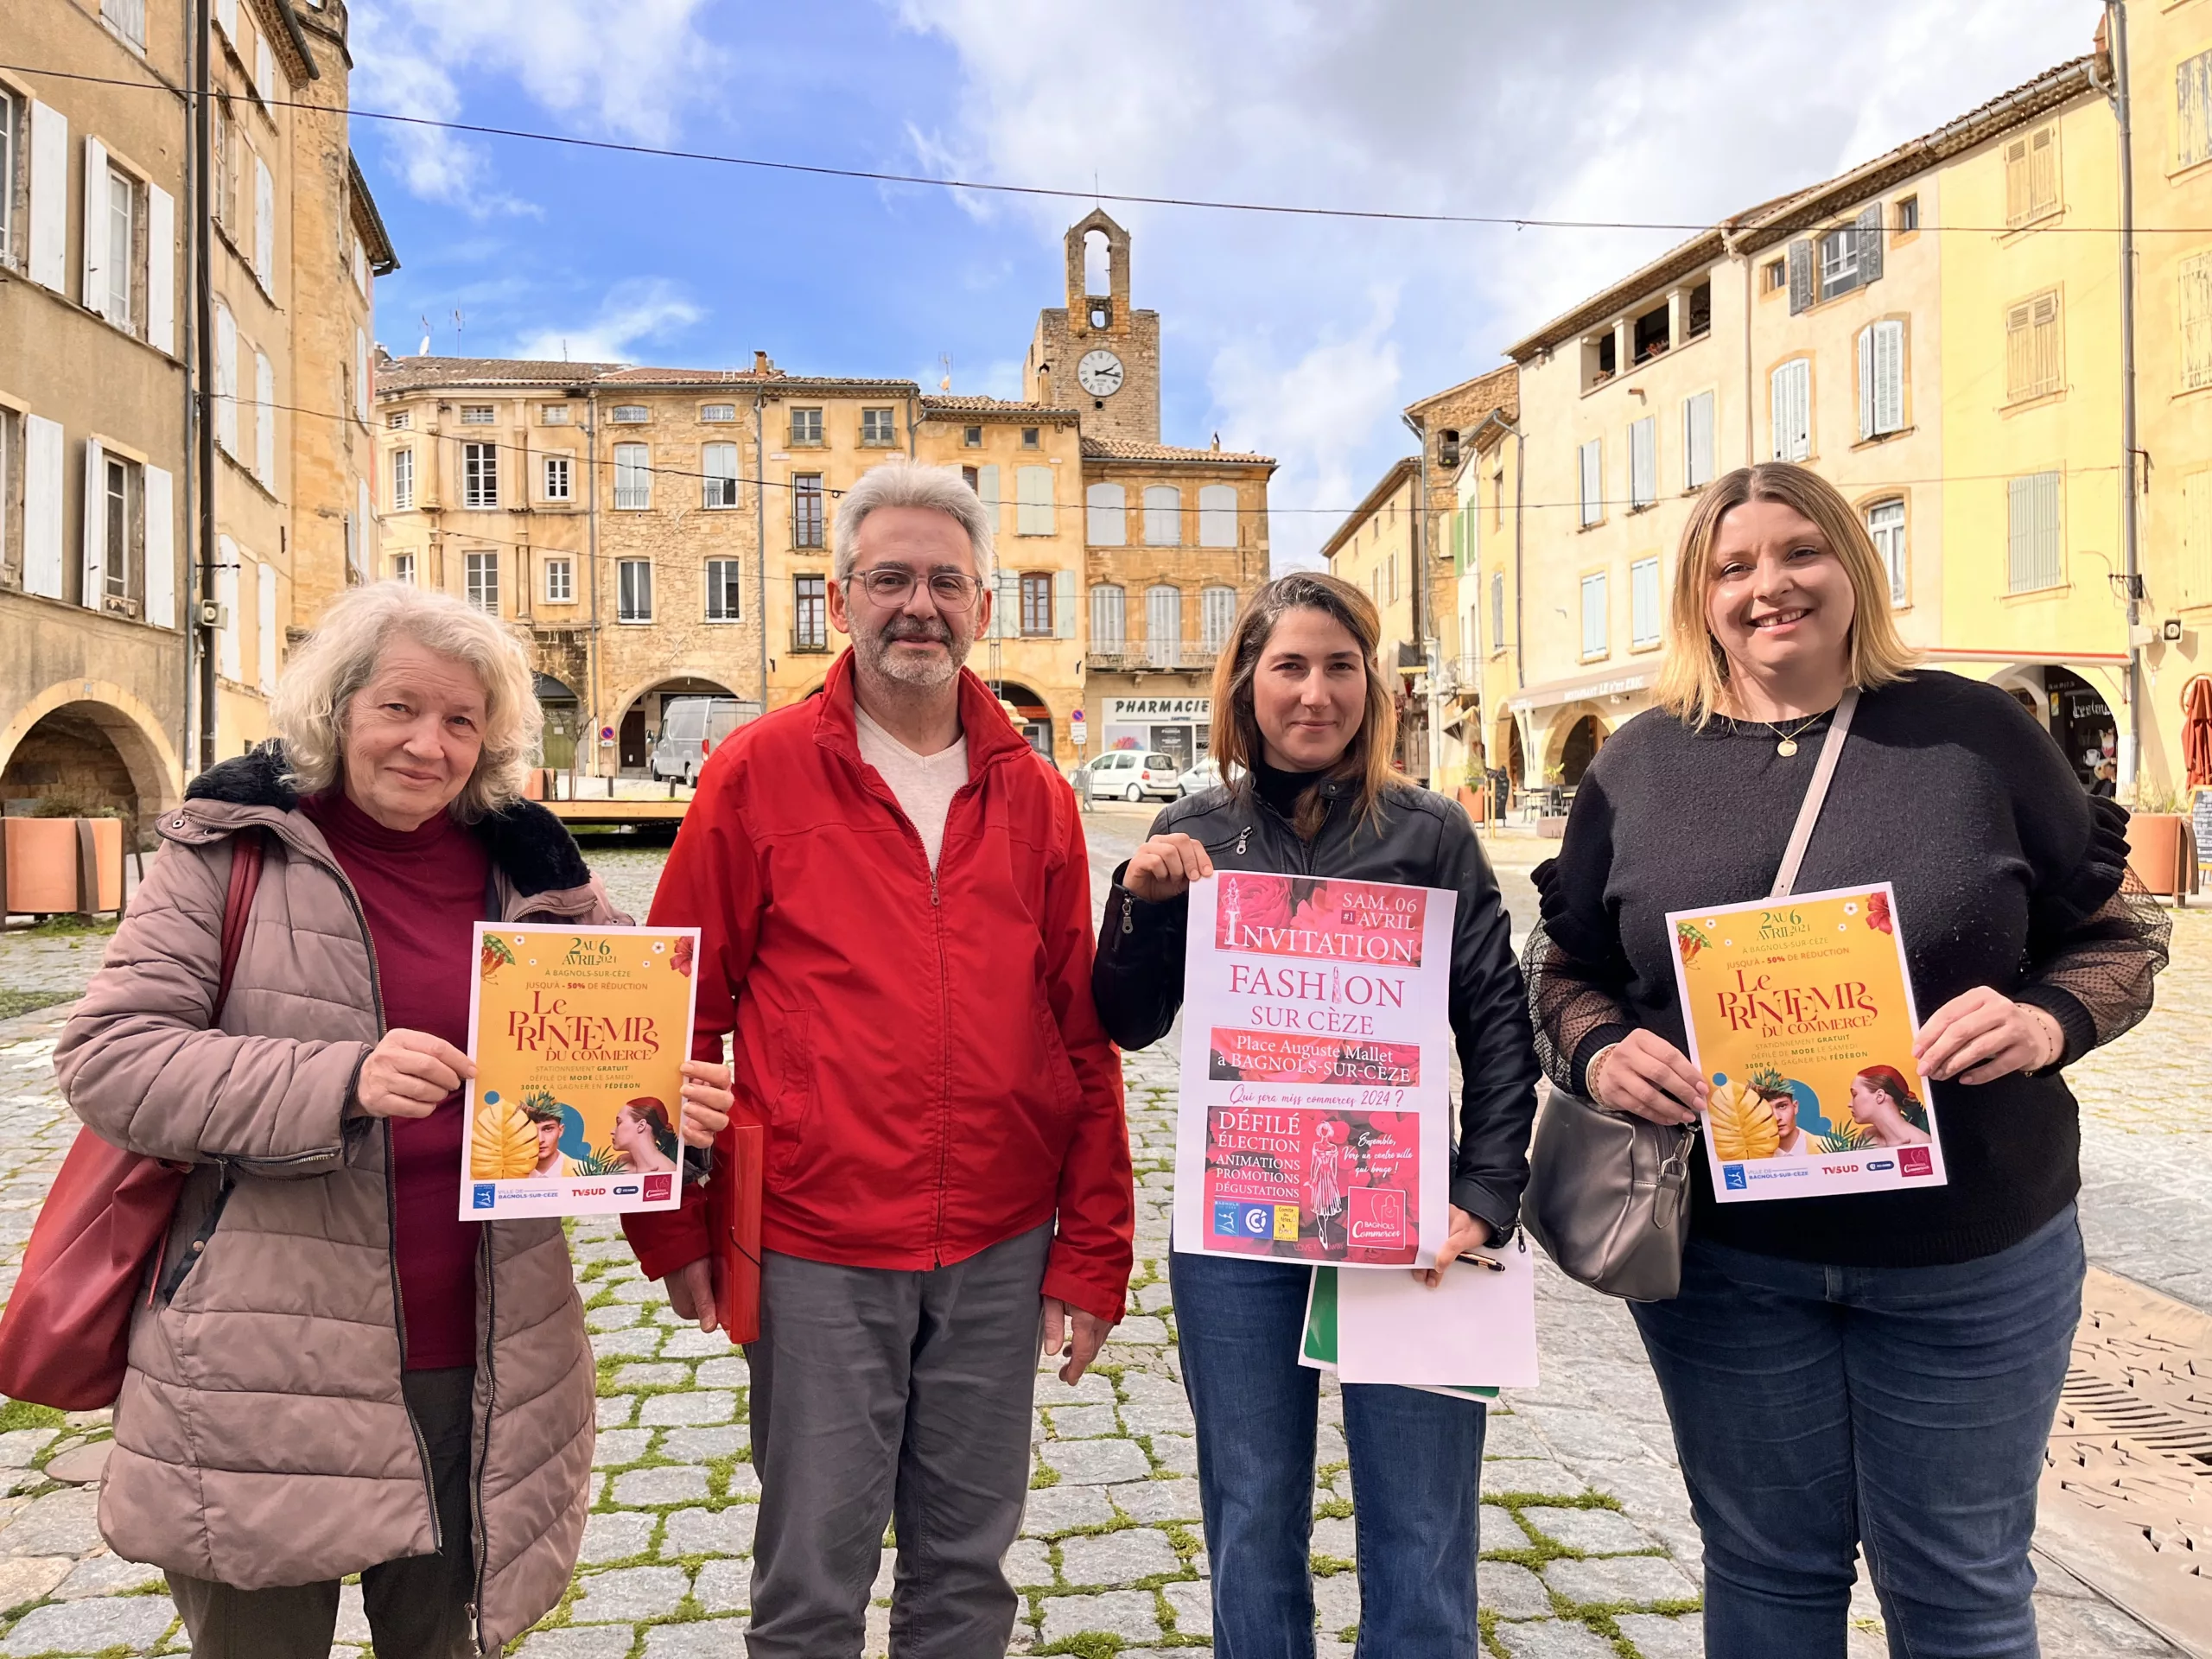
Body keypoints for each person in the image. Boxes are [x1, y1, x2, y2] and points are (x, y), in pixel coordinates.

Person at [1525, 462, 2170, 1656]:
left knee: (1962, 1595)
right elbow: (1560, 971)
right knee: (1769, 1578)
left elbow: (2119, 944)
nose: (1770, 585)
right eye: (1735, 567)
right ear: (1699, 597)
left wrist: (2044, 1024)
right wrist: (1602, 1049)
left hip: (1969, 1258)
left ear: (1850, 567)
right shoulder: (1636, 767)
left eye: (1798, 553)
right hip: (1730, 1263)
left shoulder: (1976, 735)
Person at [52, 582, 735, 1658]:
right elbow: (111, 1059)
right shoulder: (230, 851)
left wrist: (675, 1109)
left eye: (462, 720)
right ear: (338, 712)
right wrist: (341, 1080)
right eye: (399, 709)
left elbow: (620, 1071)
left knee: (444, 1645)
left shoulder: (538, 875)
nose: (430, 744)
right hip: (266, 1356)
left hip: (481, 1352)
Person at [622, 459, 1133, 1656]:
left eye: (946, 582)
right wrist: (674, 1228)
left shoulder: (1039, 797)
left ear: (984, 608)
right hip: (816, 1243)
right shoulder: (755, 775)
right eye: (891, 578)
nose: (920, 605)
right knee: (811, 1582)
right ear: (841, 596)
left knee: (966, 1577)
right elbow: (675, 1010)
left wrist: (1093, 1246)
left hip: (1001, 1244)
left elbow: (1080, 1034)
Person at [1091, 571, 1539, 1655]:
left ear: (1371, 684)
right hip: (1238, 1224)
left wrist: (1481, 1195)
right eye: (1288, 665)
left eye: (1340, 665)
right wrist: (1140, 907)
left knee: (1426, 1523)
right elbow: (1128, 1021)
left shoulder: (1431, 832)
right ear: (1245, 685)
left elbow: (1495, 1022)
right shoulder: (1195, 827)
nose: (1314, 692)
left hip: (1408, 1222)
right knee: (1249, 1515)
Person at [1847, 1065, 1932, 1147]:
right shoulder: (1867, 1136)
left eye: (1855, 1095)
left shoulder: (1920, 1142)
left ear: (1879, 1096)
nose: (1850, 1104)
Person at [610, 1096, 680, 1173]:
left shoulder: (667, 1172)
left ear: (641, 1126)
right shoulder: (621, 1163)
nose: (612, 1131)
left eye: (619, 1122)